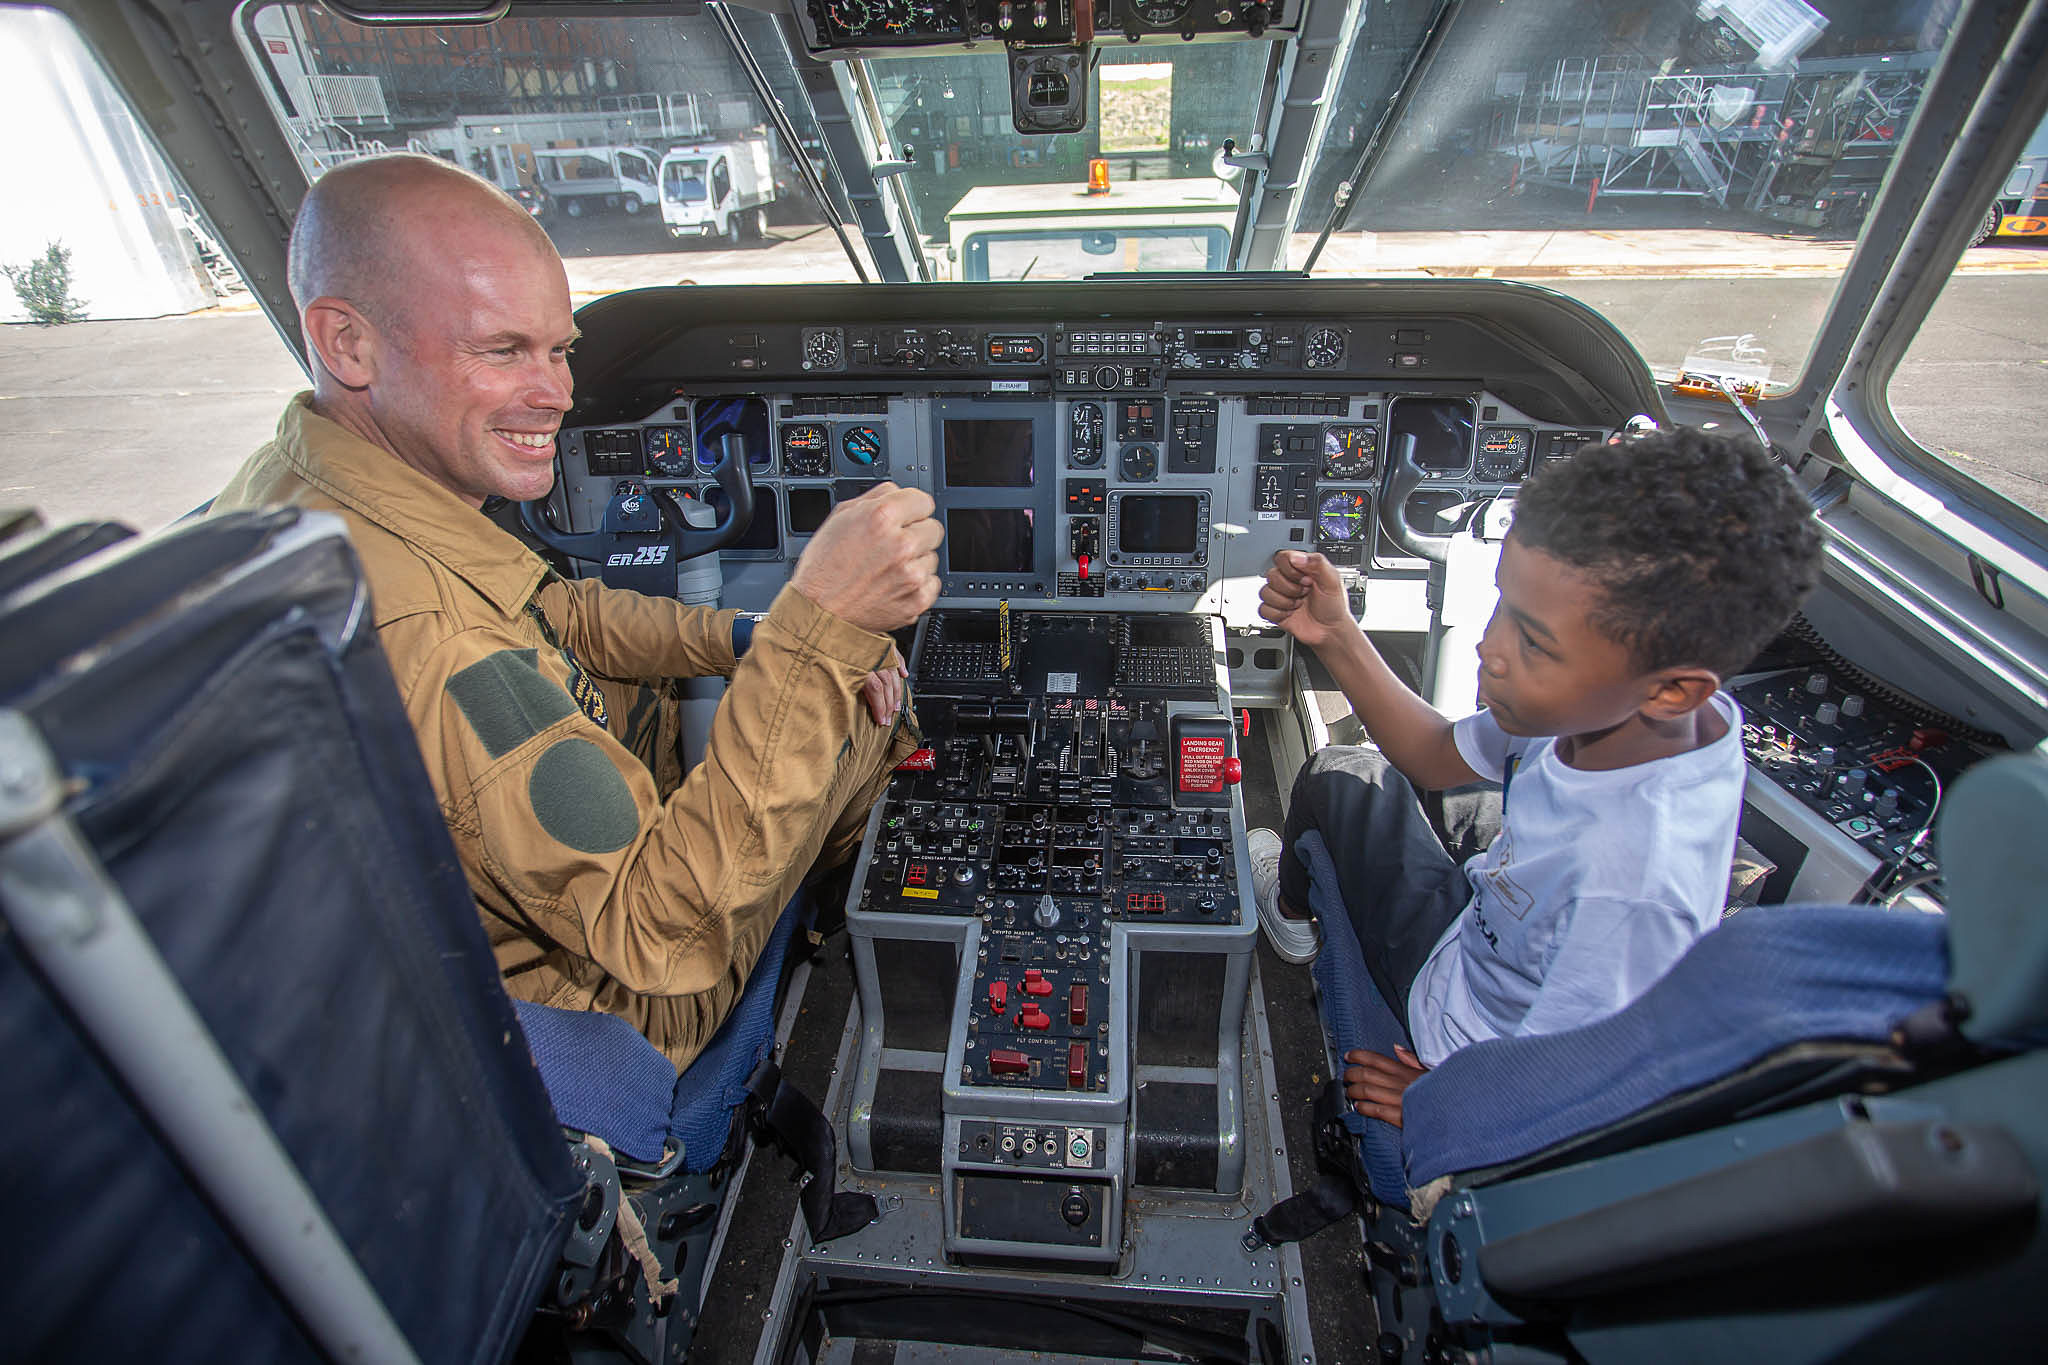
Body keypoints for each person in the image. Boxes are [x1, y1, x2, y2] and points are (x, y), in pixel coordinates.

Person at [212, 154, 943, 1069]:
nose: (556, 393)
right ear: (347, 342)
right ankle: (851, 942)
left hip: (473, 944)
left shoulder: (315, 487)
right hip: (611, 1010)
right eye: (502, 350)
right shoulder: (434, 642)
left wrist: (756, 637)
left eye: (560, 349)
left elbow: (564, 612)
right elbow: (665, 932)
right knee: (863, 713)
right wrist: (822, 630)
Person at [1249, 428, 1823, 1125]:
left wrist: (1435, 1099)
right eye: (1502, 605)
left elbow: (1584, 1087)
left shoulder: (1631, 886)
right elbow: (1433, 752)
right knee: (1390, 776)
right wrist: (1336, 631)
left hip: (1460, 1022)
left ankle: (1290, 919)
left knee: (1338, 773)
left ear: (1672, 690)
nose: (1490, 648)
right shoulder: (1632, 712)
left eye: (1534, 641)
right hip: (1514, 899)